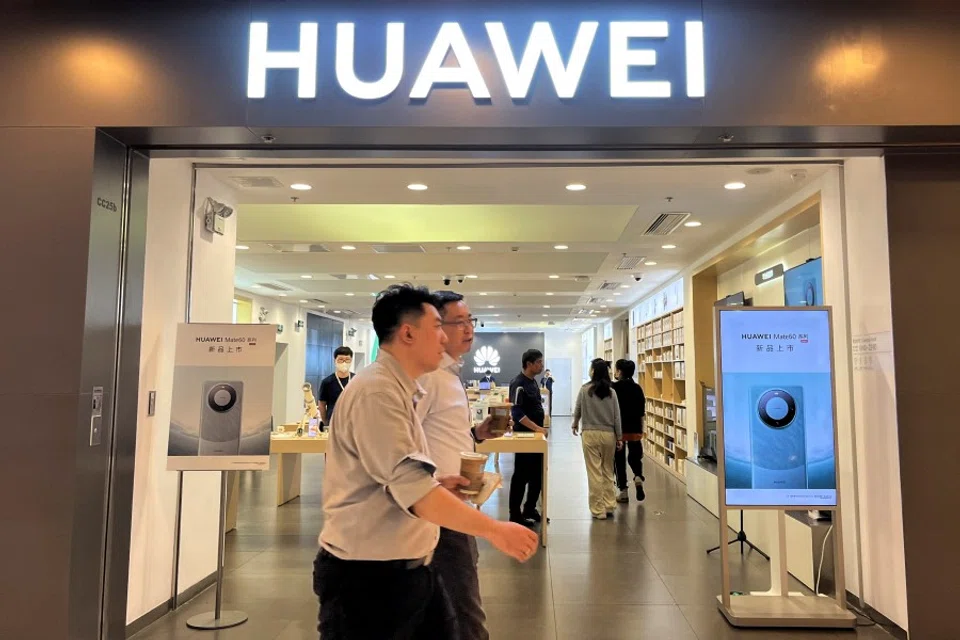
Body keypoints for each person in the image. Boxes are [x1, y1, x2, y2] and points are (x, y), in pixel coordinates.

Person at [314, 284, 539, 639]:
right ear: (407, 333)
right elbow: (413, 488)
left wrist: (438, 483)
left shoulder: (404, 387)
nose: (447, 337)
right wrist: (497, 530)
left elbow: (401, 471)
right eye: (438, 326)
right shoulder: (378, 392)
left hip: (407, 564)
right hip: (369, 577)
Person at [417, 290, 502, 640]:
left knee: (453, 603)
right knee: (465, 609)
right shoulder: (427, 377)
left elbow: (438, 433)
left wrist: (476, 434)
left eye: (471, 321)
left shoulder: (450, 375)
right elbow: (405, 443)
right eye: (459, 322)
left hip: (455, 500)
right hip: (441, 505)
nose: (469, 329)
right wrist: (432, 485)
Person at [572, 358, 623, 520]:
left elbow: (578, 408)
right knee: (608, 470)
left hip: (590, 434)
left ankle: (598, 509)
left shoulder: (585, 390)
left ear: (593, 371)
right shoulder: (611, 392)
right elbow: (617, 417)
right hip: (609, 435)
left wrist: (575, 423)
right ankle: (609, 504)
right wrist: (619, 437)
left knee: (594, 472)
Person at [508, 349, 549, 526]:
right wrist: (536, 428)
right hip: (525, 436)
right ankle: (515, 514)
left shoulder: (534, 383)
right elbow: (516, 412)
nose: (542, 365)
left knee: (537, 475)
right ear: (529, 363)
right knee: (521, 475)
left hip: (536, 437)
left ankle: (530, 508)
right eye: (539, 362)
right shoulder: (518, 383)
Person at [613, 359, 646, 502]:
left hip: (620, 429)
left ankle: (623, 491)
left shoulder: (614, 388)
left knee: (619, 461)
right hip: (635, 428)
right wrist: (641, 429)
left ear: (619, 371)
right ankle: (638, 476)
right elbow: (641, 412)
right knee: (635, 456)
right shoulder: (637, 388)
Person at [317, 346, 354, 428]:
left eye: (347, 360)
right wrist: (326, 422)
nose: (344, 362)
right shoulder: (327, 382)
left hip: (354, 423)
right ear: (335, 361)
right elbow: (322, 404)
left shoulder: (357, 380)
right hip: (333, 423)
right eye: (341, 360)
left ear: (351, 361)